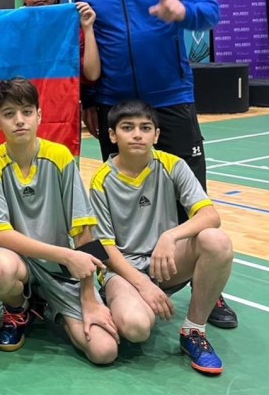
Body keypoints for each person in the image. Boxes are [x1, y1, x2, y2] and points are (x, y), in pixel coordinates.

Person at [76, 0, 236, 329]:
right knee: (121, 196)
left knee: (191, 196)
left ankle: (208, 287)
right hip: (114, 105)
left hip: (170, 100)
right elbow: (84, 42)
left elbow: (210, 12)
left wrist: (182, 11)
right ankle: (128, 276)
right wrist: (89, 99)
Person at [0, 78, 118, 365]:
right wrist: (66, 255)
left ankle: (53, 306)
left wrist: (89, 297)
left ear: (39, 115)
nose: (19, 120)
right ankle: (19, 308)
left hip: (61, 272)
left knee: (104, 351)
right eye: (9, 114)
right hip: (20, 263)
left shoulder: (60, 156)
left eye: (27, 112)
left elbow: (84, 232)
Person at [89, 100, 233, 375]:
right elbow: (103, 247)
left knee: (217, 241)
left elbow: (210, 216)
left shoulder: (173, 165)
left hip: (164, 262)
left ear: (156, 135)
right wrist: (142, 283)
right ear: (112, 135)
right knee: (137, 328)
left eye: (145, 128)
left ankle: (193, 331)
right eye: (127, 128)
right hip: (123, 270)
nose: (137, 135)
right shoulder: (102, 180)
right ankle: (122, 300)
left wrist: (170, 236)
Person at [19, 0, 100, 83]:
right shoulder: (14, 30)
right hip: (26, 94)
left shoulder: (72, 28)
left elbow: (92, 75)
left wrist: (87, 28)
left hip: (63, 92)